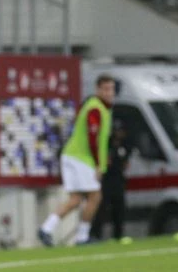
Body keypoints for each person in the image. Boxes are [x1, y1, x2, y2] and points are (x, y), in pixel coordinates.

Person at [38, 74, 115, 246]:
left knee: (76, 199)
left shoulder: (96, 107)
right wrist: (97, 164)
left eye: (112, 89)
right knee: (95, 196)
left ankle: (46, 229)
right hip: (81, 158)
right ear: (98, 90)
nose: (110, 93)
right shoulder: (95, 109)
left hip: (72, 155)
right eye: (106, 89)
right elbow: (92, 137)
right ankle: (82, 237)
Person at [90, 119, 131, 241]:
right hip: (107, 180)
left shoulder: (125, 145)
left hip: (119, 180)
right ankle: (96, 235)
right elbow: (106, 162)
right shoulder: (107, 144)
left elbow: (126, 164)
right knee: (102, 209)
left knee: (119, 209)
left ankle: (118, 235)